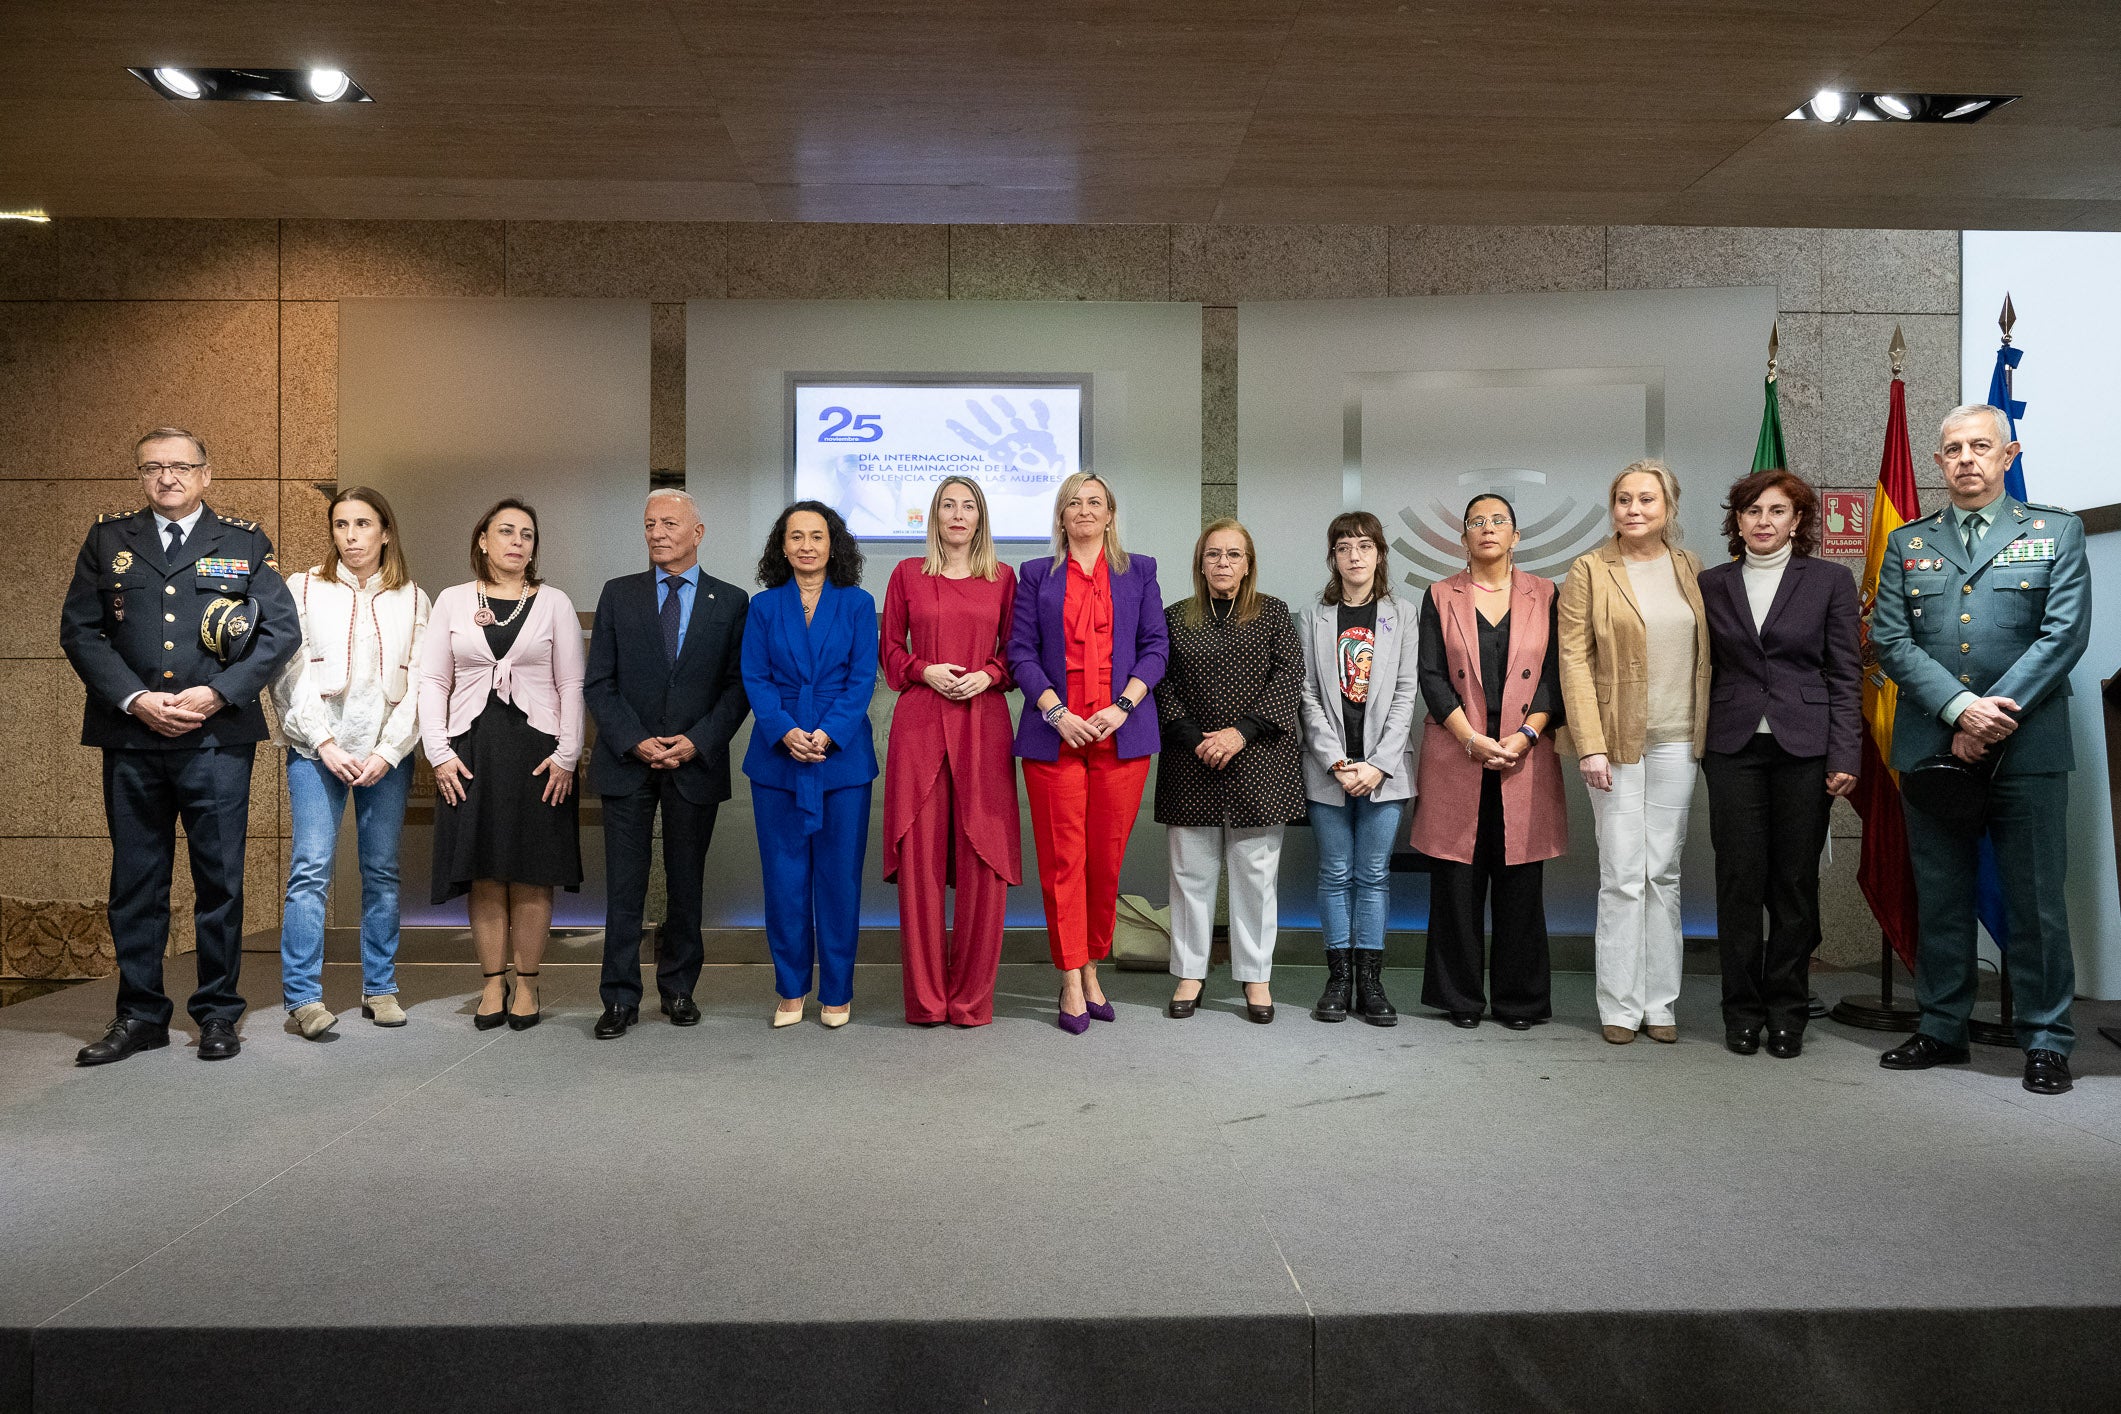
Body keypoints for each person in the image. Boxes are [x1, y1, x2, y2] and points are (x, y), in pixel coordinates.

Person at [60, 427, 300, 1065]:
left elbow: (281, 631)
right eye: (152, 468)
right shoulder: (109, 539)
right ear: (140, 476)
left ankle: (218, 1013)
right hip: (132, 737)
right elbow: (80, 631)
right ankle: (139, 1015)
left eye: (180, 467)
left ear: (206, 474)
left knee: (219, 881)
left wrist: (219, 693)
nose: (166, 478)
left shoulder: (244, 541)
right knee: (136, 882)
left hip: (215, 739)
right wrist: (135, 699)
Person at [1873, 405, 2090, 1095]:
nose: (1966, 459)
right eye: (1953, 449)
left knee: (2036, 902)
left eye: (1980, 446)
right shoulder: (1908, 542)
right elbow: (1890, 640)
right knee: (1940, 896)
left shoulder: (2055, 532)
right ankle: (1941, 1028)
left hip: (2028, 750)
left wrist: (1989, 717)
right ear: (1938, 461)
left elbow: (2063, 635)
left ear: (2007, 455)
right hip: (1932, 745)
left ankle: (2046, 1039)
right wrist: (1958, 709)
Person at [1697, 470, 1860, 1058]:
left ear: (1798, 520)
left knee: (1793, 883)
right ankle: (1741, 1011)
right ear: (1737, 521)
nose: (1763, 521)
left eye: (1777, 511)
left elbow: (1846, 673)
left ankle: (1788, 1011)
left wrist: (1845, 752)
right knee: (1738, 880)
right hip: (1732, 745)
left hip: (1805, 747)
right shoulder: (1710, 584)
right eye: (1752, 511)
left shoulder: (1830, 580)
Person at [584, 490, 751, 1039]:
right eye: (649, 524)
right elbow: (599, 683)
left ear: (697, 533)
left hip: (694, 763)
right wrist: (635, 740)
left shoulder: (731, 601)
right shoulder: (618, 594)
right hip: (627, 761)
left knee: (686, 883)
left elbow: (737, 688)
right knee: (624, 886)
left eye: (669, 524)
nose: (657, 533)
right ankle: (619, 997)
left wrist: (697, 742)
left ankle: (679, 989)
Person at [1558, 460, 1711, 1045]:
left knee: (1663, 873)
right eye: (1624, 499)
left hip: (1679, 739)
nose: (1633, 509)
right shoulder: (1589, 569)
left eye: (1647, 499)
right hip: (1614, 743)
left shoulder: (1690, 567)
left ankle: (1660, 1003)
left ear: (1668, 508)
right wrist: (1589, 745)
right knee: (1623, 875)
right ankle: (1620, 1006)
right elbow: (1573, 660)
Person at [1009, 472, 1168, 1034]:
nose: (1083, 510)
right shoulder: (1036, 574)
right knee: (1063, 862)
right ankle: (1070, 976)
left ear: (1110, 514)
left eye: (1094, 502)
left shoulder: (1139, 570)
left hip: (1120, 734)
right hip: (1055, 735)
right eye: (1072, 502)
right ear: (1060, 515)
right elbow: (1020, 652)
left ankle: (1092, 963)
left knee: (1105, 861)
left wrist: (1123, 706)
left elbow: (1155, 647)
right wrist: (1056, 712)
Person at [270, 487, 431, 1039]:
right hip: (317, 752)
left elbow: (421, 683)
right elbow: (287, 674)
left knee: (381, 871)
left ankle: (380, 987)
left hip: (386, 755)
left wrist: (389, 751)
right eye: (341, 524)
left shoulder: (414, 597)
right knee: (310, 869)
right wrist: (324, 743)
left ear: (385, 532)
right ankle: (303, 997)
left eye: (363, 524)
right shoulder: (303, 587)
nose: (351, 535)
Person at [419, 499, 584, 1032]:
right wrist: (438, 751)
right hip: (469, 749)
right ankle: (493, 981)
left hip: (540, 753)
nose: (517, 541)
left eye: (527, 534)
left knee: (533, 870)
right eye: (506, 531)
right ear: (483, 540)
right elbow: (433, 681)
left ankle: (528, 983)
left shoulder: (554, 602)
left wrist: (568, 754)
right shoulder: (452, 600)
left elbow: (571, 684)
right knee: (485, 869)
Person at [1409, 494, 1567, 1030]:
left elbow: (1556, 676)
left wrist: (1526, 735)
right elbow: (1431, 675)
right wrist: (1470, 738)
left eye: (1499, 520)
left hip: (1525, 754)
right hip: (1459, 751)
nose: (1488, 528)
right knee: (1456, 880)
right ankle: (1460, 998)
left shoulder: (1546, 593)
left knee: (1521, 882)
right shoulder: (1440, 595)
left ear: (1516, 536)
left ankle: (1520, 1000)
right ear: (1464, 539)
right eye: (1477, 522)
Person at [880, 477, 1021, 1028]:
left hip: (983, 725)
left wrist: (990, 674)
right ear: (933, 516)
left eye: (968, 506)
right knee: (920, 865)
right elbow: (890, 653)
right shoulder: (906, 574)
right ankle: (926, 1001)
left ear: (981, 517)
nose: (958, 514)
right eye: (947, 505)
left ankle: (970, 1002)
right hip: (919, 728)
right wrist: (924, 669)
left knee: (984, 859)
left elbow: (1017, 653)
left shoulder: (1003, 578)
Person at [1155, 518, 1306, 1024]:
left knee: (1256, 879)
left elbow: (1289, 677)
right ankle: (1189, 973)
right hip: (1190, 759)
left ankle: (1256, 976)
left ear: (1248, 564)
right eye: (1213, 554)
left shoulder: (1273, 613)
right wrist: (1196, 738)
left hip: (1258, 759)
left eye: (1233, 554)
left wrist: (1239, 733)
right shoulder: (1175, 617)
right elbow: (1160, 682)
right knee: (1189, 876)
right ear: (1200, 563)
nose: (1223, 563)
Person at [742, 502, 879, 1030]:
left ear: (832, 544)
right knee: (784, 880)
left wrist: (827, 733)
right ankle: (791, 988)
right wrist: (784, 731)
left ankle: (838, 991)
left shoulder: (858, 603)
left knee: (839, 881)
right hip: (776, 759)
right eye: (795, 536)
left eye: (816, 536)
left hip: (842, 760)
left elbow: (862, 679)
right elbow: (755, 677)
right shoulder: (763, 606)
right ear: (782, 546)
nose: (806, 546)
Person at [1297, 511, 1420, 1026]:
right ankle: (1338, 979)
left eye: (1365, 546)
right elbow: (1306, 694)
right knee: (1334, 873)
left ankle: (1370, 982)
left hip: (1384, 773)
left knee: (1372, 875)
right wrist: (1337, 761)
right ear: (1333, 557)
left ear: (1380, 555)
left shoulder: (1402, 614)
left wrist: (1378, 765)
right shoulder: (1313, 616)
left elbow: (1407, 693)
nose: (1354, 555)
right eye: (1344, 547)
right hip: (1329, 769)